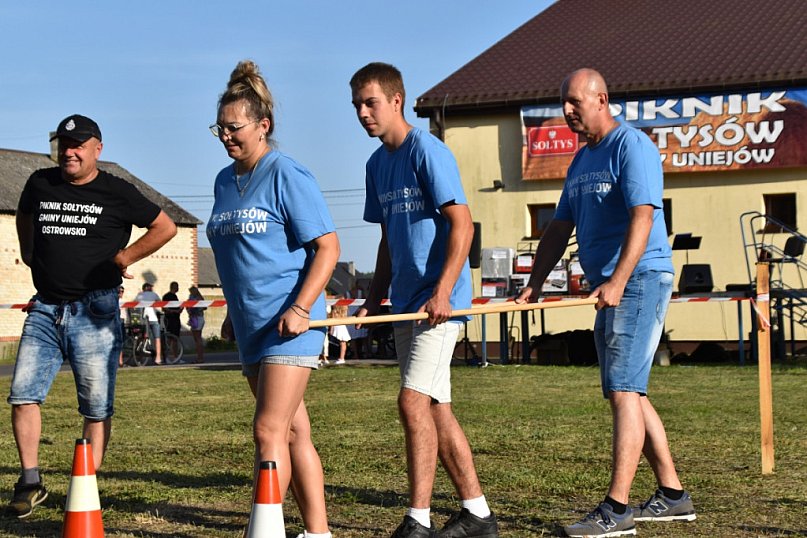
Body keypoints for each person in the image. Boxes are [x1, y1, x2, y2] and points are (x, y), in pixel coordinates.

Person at [515, 68, 696, 537]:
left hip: (637, 280)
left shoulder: (630, 146)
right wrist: (535, 282)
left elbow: (643, 215)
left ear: (602, 98)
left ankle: (616, 511)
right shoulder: (580, 161)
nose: (567, 111)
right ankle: (674, 496)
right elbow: (558, 227)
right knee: (629, 390)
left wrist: (617, 279)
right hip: (609, 286)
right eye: (563, 104)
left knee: (622, 391)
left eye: (575, 101)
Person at [350, 62, 498, 538]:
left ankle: (418, 520)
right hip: (406, 304)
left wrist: (441, 291)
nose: (362, 113)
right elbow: (389, 241)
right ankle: (477, 513)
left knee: (412, 402)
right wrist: (374, 300)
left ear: (396, 101)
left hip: (440, 304)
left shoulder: (427, 150)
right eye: (356, 105)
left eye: (370, 102)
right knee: (435, 406)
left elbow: (463, 224)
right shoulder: (376, 164)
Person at [8, 113, 176, 518]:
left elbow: (165, 227)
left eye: (79, 145)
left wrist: (125, 256)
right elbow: (24, 216)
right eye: (64, 145)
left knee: (95, 406)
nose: (69, 152)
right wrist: (30, 254)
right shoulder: (39, 183)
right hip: (45, 307)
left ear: (97, 149)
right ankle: (30, 481)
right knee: (22, 395)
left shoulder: (116, 191)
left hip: (95, 310)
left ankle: (84, 486)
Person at [207, 60, 340, 538]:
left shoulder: (287, 173)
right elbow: (237, 253)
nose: (225, 136)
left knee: (267, 431)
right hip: (250, 324)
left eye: (234, 127)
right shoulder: (225, 180)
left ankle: (261, 531)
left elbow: (328, 247)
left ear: (263, 126)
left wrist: (302, 307)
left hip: (290, 324)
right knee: (291, 431)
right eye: (219, 128)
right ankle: (319, 532)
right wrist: (231, 311)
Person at [135, 282, 163, 365]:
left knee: (142, 337)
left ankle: (139, 357)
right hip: (153, 318)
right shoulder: (153, 294)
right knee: (157, 338)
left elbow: (135, 303)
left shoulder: (140, 295)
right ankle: (158, 358)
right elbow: (160, 302)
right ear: (148, 288)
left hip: (143, 318)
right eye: (151, 287)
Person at [161, 281, 183, 360]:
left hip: (176, 319)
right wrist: (174, 311)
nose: (178, 288)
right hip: (170, 319)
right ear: (174, 287)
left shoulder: (175, 296)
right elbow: (164, 308)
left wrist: (180, 309)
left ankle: (174, 356)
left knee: (175, 338)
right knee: (171, 338)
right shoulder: (167, 296)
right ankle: (170, 356)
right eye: (177, 286)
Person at [187, 286, 206, 364]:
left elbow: (204, 307)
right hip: (195, 317)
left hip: (197, 318)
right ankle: (199, 357)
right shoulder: (193, 297)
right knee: (197, 339)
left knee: (198, 338)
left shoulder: (197, 298)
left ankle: (200, 358)